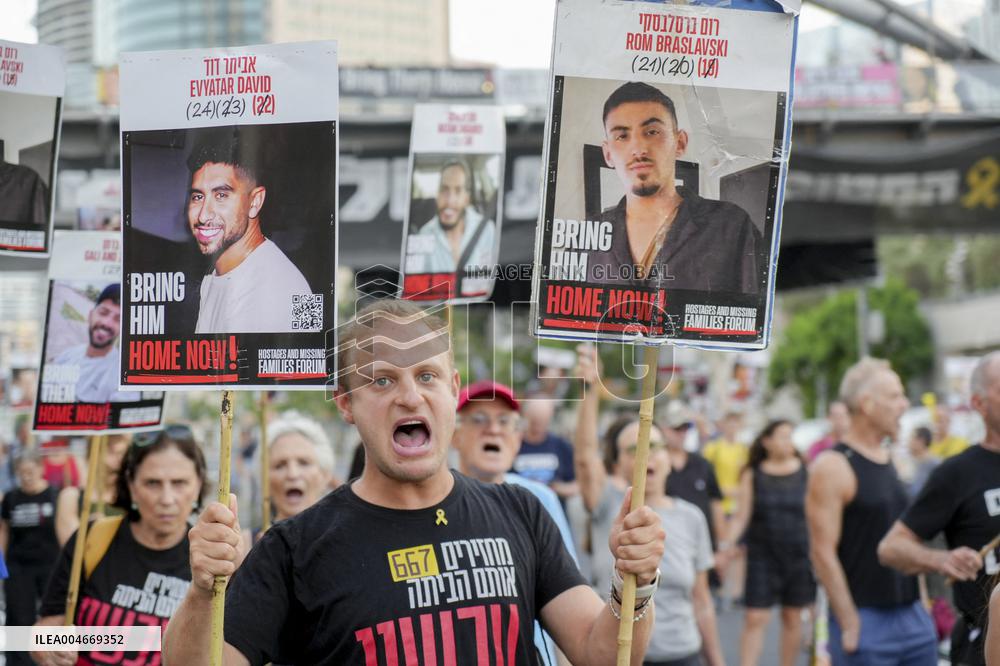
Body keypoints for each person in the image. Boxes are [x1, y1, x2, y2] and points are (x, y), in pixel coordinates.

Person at [164, 298, 666, 665]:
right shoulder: (293, 549)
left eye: (426, 376)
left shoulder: (521, 512)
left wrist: (636, 586)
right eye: (382, 380)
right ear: (346, 405)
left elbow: (603, 655)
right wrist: (203, 591)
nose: (409, 397)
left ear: (451, 391)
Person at [573, 345, 724, 666]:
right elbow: (586, 458)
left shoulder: (691, 516)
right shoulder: (609, 506)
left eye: (654, 446)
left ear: (669, 458)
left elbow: (702, 601)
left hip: (684, 656)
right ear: (618, 464)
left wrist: (717, 660)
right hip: (623, 657)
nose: (647, 455)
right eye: (633, 449)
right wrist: (588, 388)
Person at [32, 425, 206, 666]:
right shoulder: (91, 538)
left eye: (179, 483)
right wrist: (52, 648)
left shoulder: (209, 561)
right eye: (152, 483)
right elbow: (41, 633)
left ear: (198, 484)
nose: (167, 499)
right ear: (131, 486)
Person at [806, 357, 936, 665]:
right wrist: (850, 622)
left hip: (913, 618)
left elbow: (908, 537)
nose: (904, 404)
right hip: (866, 621)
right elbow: (821, 552)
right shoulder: (833, 466)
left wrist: (924, 605)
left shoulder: (894, 459)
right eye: (894, 396)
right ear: (866, 403)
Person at [878, 352, 1000, 666]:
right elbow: (892, 547)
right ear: (979, 403)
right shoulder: (957, 473)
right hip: (984, 643)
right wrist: (941, 559)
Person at [585, 81, 762, 294]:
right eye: (622, 136)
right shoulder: (586, 237)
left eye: (651, 132)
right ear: (608, 154)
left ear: (680, 143)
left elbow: (755, 315)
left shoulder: (731, 225)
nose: (638, 149)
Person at [452, 379, 577, 665]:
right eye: (479, 419)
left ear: (518, 438)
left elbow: (567, 598)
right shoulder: (434, 502)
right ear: (454, 435)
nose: (493, 429)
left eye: (505, 421)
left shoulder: (539, 499)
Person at [187, 129, 312, 333]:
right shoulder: (217, 274)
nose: (203, 216)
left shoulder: (281, 286)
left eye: (221, 196)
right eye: (198, 197)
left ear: (255, 201)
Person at [719, 420, 815, 666]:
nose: (787, 442)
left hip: (799, 553)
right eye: (781, 436)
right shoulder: (754, 473)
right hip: (763, 554)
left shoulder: (805, 470)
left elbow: (816, 513)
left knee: (792, 616)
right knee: (755, 617)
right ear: (767, 441)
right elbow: (742, 515)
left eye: (789, 436)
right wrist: (727, 544)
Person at [1, 450, 60, 666]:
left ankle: (52, 658)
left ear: (41, 469)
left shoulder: (55, 496)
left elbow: (65, 532)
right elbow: (4, 531)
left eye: (30, 471)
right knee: (18, 617)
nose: (26, 476)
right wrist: (1, 566)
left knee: (52, 616)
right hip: (19, 567)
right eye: (21, 472)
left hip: (50, 566)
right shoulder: (11, 498)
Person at [408, 160, 496, 298]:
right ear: (437, 194)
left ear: (467, 198)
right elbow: (418, 289)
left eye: (458, 190)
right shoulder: (424, 235)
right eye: (444, 189)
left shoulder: (486, 230)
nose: (449, 200)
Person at [50, 284, 139, 403]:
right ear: (91, 315)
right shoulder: (66, 357)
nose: (107, 323)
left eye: (118, 319)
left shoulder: (125, 377)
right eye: (103, 312)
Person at [660, 401, 725, 558]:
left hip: (702, 548)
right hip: (668, 549)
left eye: (686, 427)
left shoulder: (702, 464)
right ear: (663, 429)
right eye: (676, 428)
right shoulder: (654, 465)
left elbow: (716, 505)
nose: (682, 433)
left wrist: (722, 547)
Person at [54, 433, 129, 545]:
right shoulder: (71, 497)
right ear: (92, 455)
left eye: (123, 453)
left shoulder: (133, 496)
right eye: (111, 451)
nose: (119, 461)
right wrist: (90, 529)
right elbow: (70, 548)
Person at [265, 412, 336, 523]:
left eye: (304, 463)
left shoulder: (345, 538)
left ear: (325, 475)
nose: (292, 474)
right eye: (280, 465)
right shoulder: (245, 540)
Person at [512, 396, 579, 502]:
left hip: (552, 510)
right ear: (526, 416)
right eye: (534, 421)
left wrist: (557, 488)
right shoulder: (514, 443)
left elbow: (577, 485)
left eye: (543, 421)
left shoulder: (561, 445)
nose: (538, 427)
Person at [906, 426, 939, 497]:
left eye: (911, 438)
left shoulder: (935, 464)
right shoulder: (909, 461)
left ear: (921, 441)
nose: (908, 441)